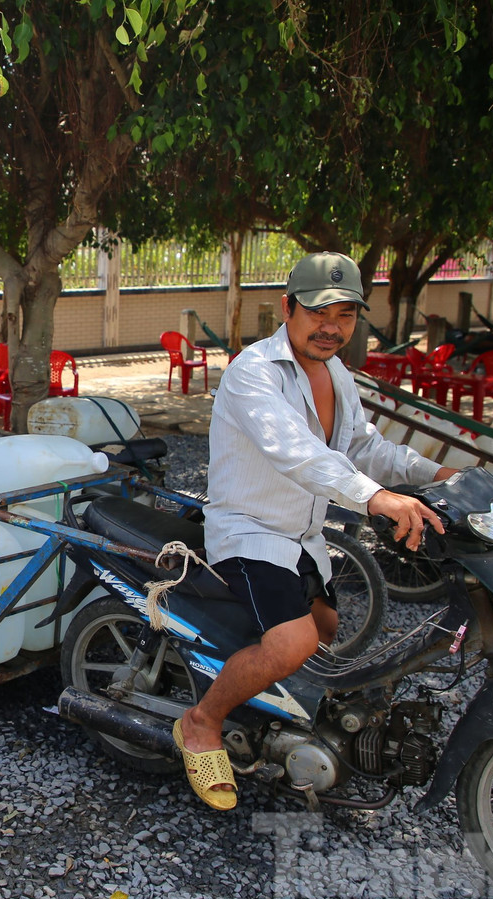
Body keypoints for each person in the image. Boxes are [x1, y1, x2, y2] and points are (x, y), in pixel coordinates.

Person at [174, 252, 459, 810]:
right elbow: (296, 453)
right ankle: (202, 721)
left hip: (302, 535)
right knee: (295, 641)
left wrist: (437, 476)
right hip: (250, 530)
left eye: (346, 315)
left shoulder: (336, 374)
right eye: (319, 311)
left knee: (326, 627)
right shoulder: (253, 372)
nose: (332, 327)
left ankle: (266, 708)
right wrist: (374, 496)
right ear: (289, 308)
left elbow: (362, 446)